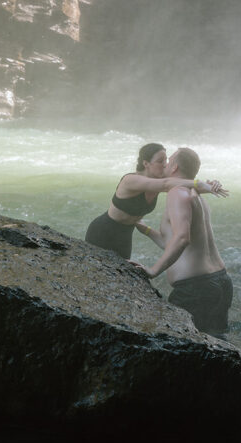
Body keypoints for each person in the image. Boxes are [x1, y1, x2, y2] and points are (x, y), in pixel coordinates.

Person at [136, 147, 233, 336]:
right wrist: (145, 230)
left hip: (196, 289)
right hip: (220, 281)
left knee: (178, 346)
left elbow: (182, 238)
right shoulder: (195, 195)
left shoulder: (177, 193)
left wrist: (153, 270)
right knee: (217, 349)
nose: (164, 164)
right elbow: (173, 245)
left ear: (175, 167)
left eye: (168, 160)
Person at [85, 142, 227, 260]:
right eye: (160, 161)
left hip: (126, 234)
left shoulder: (160, 180)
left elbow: (183, 183)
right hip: (102, 231)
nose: (165, 165)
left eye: (166, 160)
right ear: (146, 164)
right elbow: (169, 184)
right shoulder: (131, 180)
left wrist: (211, 184)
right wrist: (199, 184)